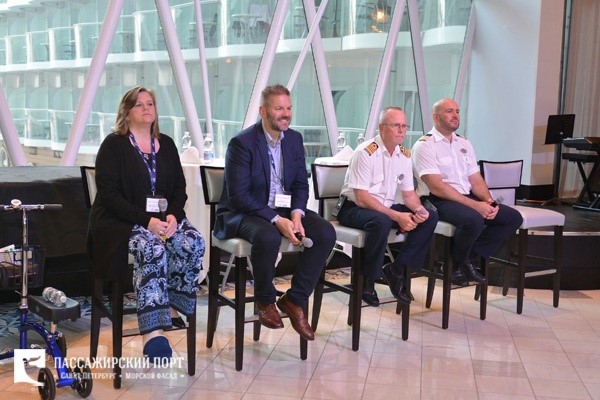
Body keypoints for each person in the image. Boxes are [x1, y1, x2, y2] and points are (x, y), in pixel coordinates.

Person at [89, 86, 205, 362]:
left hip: (163, 219)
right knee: (152, 247)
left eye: (150, 103)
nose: (146, 108)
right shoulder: (113, 145)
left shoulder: (167, 144)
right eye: (139, 104)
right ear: (127, 112)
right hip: (120, 221)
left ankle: (172, 307)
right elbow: (109, 196)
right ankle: (153, 332)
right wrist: (147, 221)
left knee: (193, 242)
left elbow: (179, 188)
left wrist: (173, 215)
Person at [214, 84, 336, 341]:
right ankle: (265, 300)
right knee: (268, 236)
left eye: (289, 108)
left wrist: (296, 215)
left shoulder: (294, 139)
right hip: (244, 212)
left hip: (283, 208)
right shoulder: (242, 143)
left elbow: (300, 184)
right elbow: (239, 196)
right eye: (279, 108)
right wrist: (276, 219)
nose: (286, 114)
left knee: (325, 232)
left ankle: (295, 299)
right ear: (263, 111)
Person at [411, 98, 523, 286]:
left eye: (457, 111)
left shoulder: (463, 143)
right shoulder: (425, 145)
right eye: (449, 111)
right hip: (437, 200)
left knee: (512, 218)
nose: (455, 115)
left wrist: (488, 201)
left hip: (465, 196)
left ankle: (464, 260)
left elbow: (475, 178)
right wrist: (476, 206)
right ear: (435, 117)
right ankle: (458, 264)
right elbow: (437, 187)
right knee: (473, 220)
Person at [336, 107, 438, 307]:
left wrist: (419, 211)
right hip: (352, 208)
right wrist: (397, 217)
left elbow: (409, 196)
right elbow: (362, 198)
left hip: (382, 210)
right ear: (382, 128)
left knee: (430, 216)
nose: (401, 130)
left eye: (404, 126)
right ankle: (368, 280)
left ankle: (396, 270)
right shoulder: (365, 152)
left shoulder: (404, 155)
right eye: (396, 125)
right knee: (381, 221)